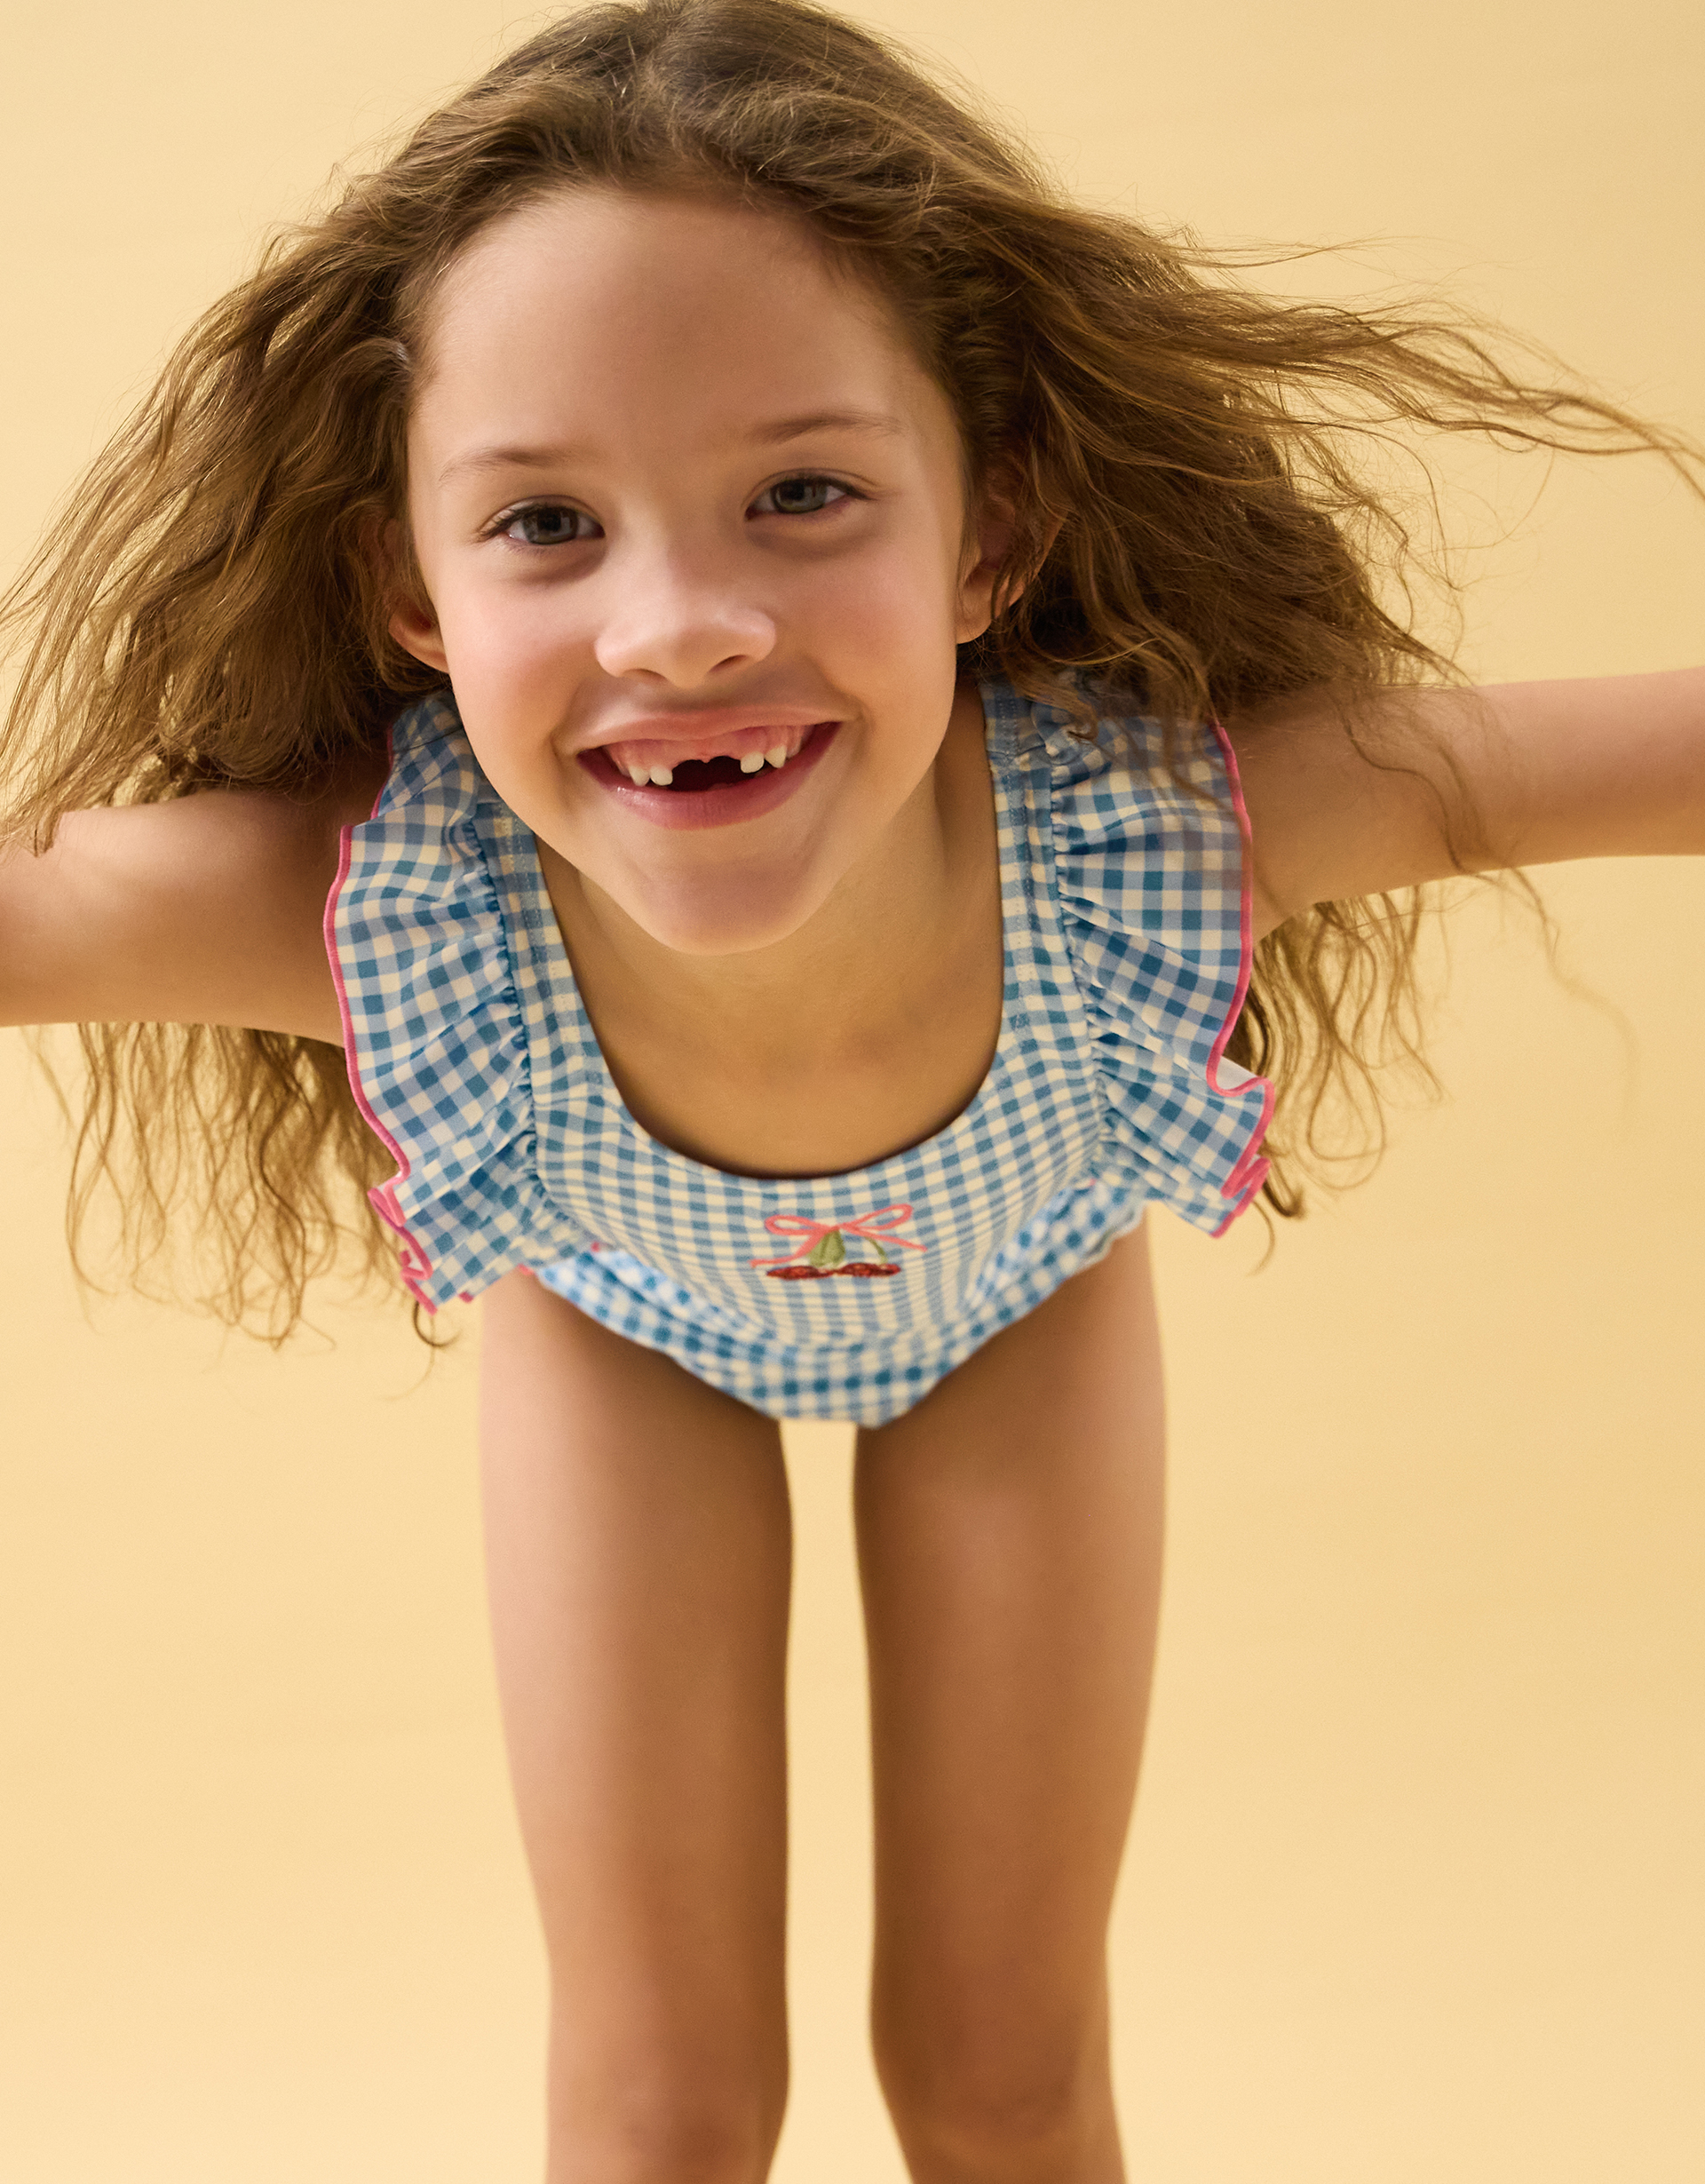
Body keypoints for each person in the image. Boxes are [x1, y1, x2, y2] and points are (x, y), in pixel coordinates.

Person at [0, 0, 1698, 2176]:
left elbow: (1627, 754)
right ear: (405, 587)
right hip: (627, 1337)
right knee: (663, 2102)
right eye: (546, 523)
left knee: (1003, 2075)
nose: (682, 625)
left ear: (991, 531)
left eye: (801, 494)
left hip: (1018, 1315)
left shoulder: (1145, 841)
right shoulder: (382, 907)